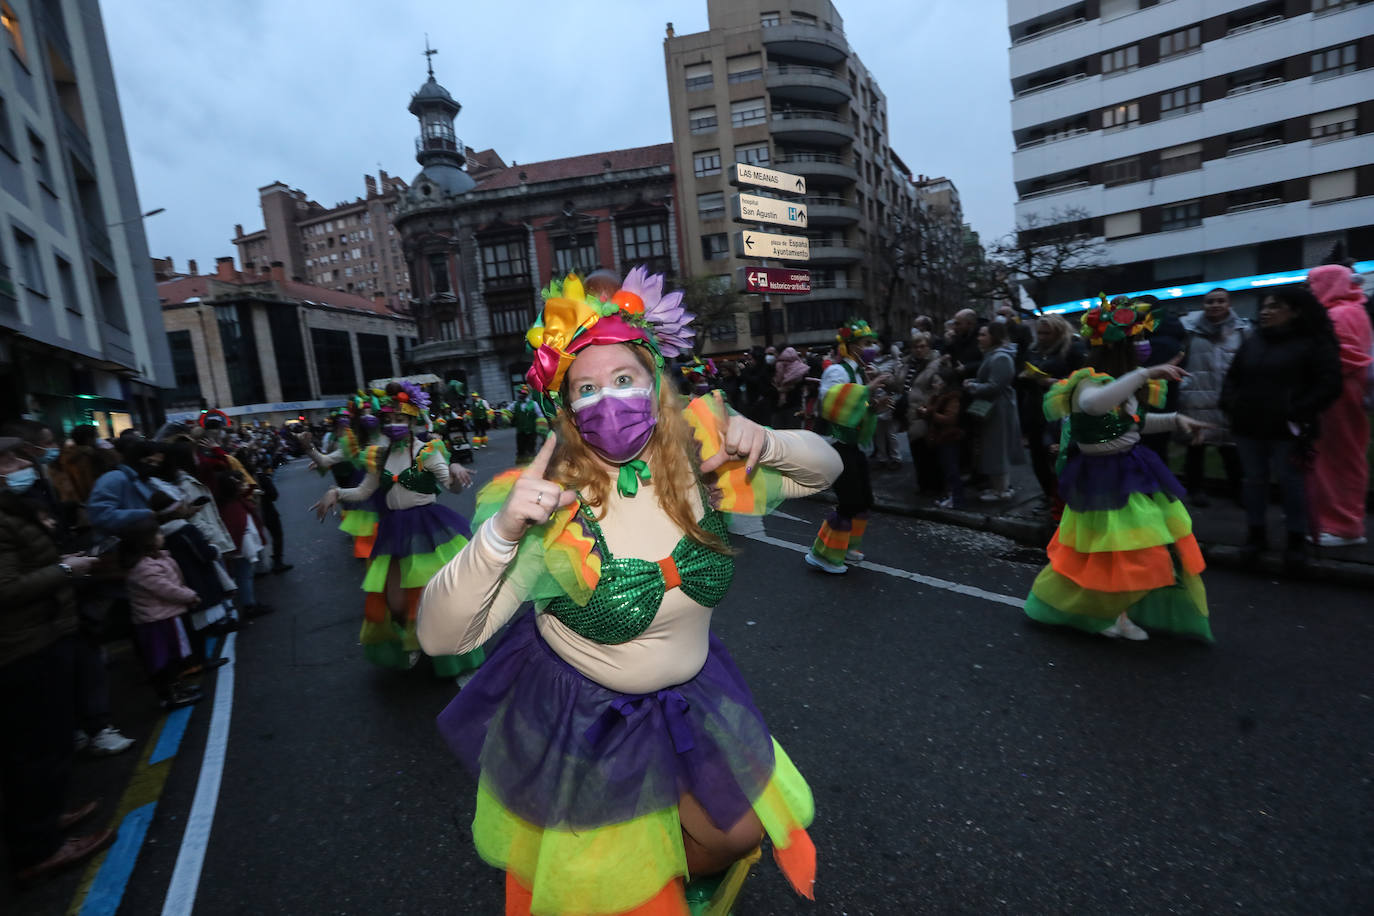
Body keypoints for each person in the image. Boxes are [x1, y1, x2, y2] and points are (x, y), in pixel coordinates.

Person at [417, 266, 837, 916]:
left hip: (692, 698)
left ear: (654, 382)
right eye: (585, 389)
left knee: (738, 833)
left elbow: (826, 470)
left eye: (624, 380)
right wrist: (501, 533)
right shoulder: (549, 505)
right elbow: (441, 636)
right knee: (614, 889)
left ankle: (677, 883)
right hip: (584, 722)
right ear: (565, 407)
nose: (608, 401)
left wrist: (770, 440)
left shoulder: (702, 460)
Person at [1022, 296, 1214, 642]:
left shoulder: (1119, 381)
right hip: (1099, 478)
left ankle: (1119, 612)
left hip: (1131, 472)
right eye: (1137, 341)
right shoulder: (1089, 381)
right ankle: (1102, 613)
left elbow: (1131, 425)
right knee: (1107, 555)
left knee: (1138, 551)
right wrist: (1147, 372)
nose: (1144, 348)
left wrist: (1175, 419)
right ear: (1119, 347)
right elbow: (1094, 406)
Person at [0, 436, 115, 884]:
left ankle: (47, 818)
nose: (20, 466)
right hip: (23, 648)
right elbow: (6, 588)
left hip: (44, 636)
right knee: (34, 749)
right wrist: (66, 570)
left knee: (48, 742)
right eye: (9, 460)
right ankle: (37, 846)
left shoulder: (18, 508)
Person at [312, 382, 483, 678]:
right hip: (395, 531)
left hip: (428, 528)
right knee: (396, 601)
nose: (394, 425)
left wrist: (455, 471)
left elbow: (452, 489)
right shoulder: (379, 455)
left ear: (413, 421)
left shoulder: (428, 451)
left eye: (401, 420)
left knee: (438, 596)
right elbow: (365, 491)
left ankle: (443, 645)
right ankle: (411, 639)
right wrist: (336, 492)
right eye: (390, 420)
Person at [1220, 286, 1342, 569]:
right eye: (1264, 306)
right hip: (1249, 426)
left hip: (1288, 430)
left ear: (1295, 312)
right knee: (1253, 481)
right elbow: (1233, 377)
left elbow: (1329, 384)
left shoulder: (1313, 343)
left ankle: (1296, 540)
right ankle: (1256, 534)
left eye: (1275, 306)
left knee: (1292, 483)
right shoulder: (1254, 341)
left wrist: (1297, 410)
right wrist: (1231, 403)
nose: (1265, 311)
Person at [807, 318, 892, 574]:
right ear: (851, 345)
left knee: (864, 499)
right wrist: (868, 390)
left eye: (873, 344)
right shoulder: (837, 371)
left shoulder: (860, 372)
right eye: (867, 343)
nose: (872, 349)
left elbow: (857, 408)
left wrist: (874, 406)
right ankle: (823, 555)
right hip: (836, 444)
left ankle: (846, 547)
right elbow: (832, 406)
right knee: (849, 501)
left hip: (852, 444)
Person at [1305, 264, 1373, 547]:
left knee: (1337, 458)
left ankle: (1342, 526)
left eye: (1312, 284)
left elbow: (1340, 355)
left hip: (1337, 393)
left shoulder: (1337, 314)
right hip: (1345, 391)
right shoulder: (1352, 310)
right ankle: (1336, 519)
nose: (1309, 290)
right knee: (1344, 455)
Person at [120, 518, 204, 709]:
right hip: (156, 622)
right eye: (157, 534)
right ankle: (170, 696)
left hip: (166, 616)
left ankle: (177, 689)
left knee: (174, 658)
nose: (161, 536)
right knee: (164, 661)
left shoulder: (157, 559)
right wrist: (190, 596)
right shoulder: (143, 569)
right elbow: (167, 589)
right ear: (145, 541)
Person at [1178, 288, 1249, 506]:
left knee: (1231, 449)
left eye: (1220, 301)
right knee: (1196, 448)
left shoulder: (1243, 331)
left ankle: (1239, 491)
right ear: (1203, 305)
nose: (1215, 305)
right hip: (1196, 398)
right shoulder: (1189, 331)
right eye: (1210, 302)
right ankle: (1196, 490)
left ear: (1229, 304)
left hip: (1229, 399)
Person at [1018, 315, 1086, 509]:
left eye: (1047, 333)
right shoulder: (1034, 349)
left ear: (1059, 331)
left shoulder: (1073, 347)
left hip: (1061, 412)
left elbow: (1084, 377)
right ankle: (1048, 495)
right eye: (1039, 333)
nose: (1042, 337)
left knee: (1060, 456)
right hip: (1035, 408)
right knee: (1038, 455)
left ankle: (1065, 499)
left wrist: (1055, 382)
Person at [963, 321, 1024, 502]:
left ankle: (1002, 490)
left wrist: (972, 386)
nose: (979, 338)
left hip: (998, 409)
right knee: (992, 448)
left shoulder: (1000, 357)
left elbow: (995, 385)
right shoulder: (994, 355)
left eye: (983, 335)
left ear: (994, 337)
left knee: (997, 448)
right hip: (993, 407)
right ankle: (997, 487)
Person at [900, 332, 943, 496]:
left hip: (925, 412)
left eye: (922, 346)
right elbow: (901, 385)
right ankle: (924, 485)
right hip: (911, 412)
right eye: (916, 346)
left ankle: (934, 486)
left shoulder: (935, 364)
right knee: (917, 451)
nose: (919, 350)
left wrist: (928, 406)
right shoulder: (909, 364)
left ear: (929, 347)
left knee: (928, 451)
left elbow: (937, 388)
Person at [919, 366, 965, 508]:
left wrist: (930, 414)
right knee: (946, 469)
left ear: (945, 383)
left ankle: (956, 499)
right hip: (941, 437)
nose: (934, 384)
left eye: (937, 381)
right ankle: (950, 496)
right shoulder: (938, 396)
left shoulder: (952, 398)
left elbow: (949, 419)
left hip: (948, 437)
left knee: (951, 469)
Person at [772, 346, 808, 428]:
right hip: (795, 405)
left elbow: (776, 382)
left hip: (782, 407)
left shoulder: (778, 365)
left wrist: (779, 389)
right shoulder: (800, 366)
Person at [511, 384, 544, 464]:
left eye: (521, 392)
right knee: (520, 449)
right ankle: (521, 464)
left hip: (532, 431)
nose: (519, 394)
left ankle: (532, 465)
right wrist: (506, 415)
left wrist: (541, 427)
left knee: (531, 448)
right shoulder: (515, 404)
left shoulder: (534, 404)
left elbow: (540, 415)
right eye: (519, 392)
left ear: (526, 393)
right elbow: (508, 411)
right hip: (520, 431)